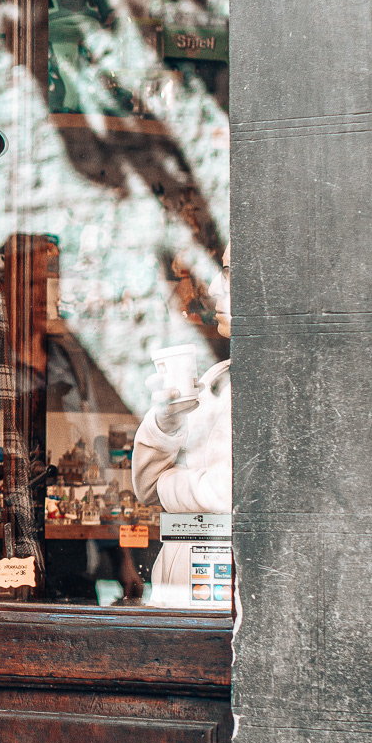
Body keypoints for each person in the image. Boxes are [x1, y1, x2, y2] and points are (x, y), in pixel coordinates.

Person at [132, 245, 231, 607]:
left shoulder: (276, 384)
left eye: (229, 272)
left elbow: (226, 494)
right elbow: (145, 488)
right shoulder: (217, 378)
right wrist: (166, 421)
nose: (215, 288)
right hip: (177, 603)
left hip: (218, 601)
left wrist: (168, 483)